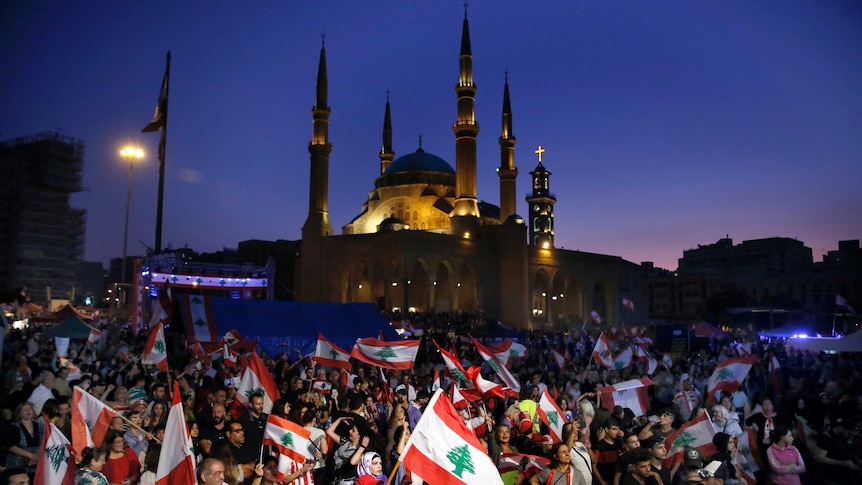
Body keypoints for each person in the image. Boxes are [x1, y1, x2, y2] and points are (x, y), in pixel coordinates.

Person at [6, 401, 43, 474]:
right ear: (19, 414)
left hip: (37, 460)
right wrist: (31, 456)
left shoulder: (40, 425)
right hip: (19, 461)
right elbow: (11, 446)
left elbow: (43, 441)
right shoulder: (14, 427)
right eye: (25, 410)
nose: (28, 411)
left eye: (30, 409)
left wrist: (37, 455)